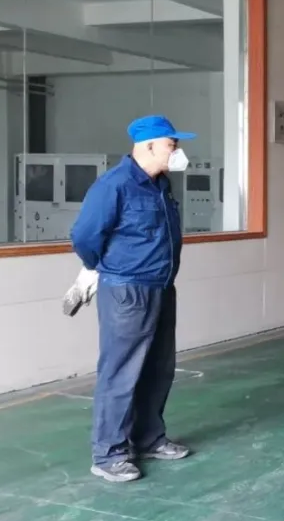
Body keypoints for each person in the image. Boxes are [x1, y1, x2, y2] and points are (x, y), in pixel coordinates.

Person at [70, 115, 195, 483]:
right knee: (121, 372)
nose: (177, 151)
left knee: (158, 367)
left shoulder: (160, 185)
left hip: (161, 287)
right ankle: (109, 453)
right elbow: (85, 237)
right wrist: (102, 267)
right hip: (128, 291)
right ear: (150, 146)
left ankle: (149, 438)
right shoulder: (115, 185)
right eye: (172, 144)